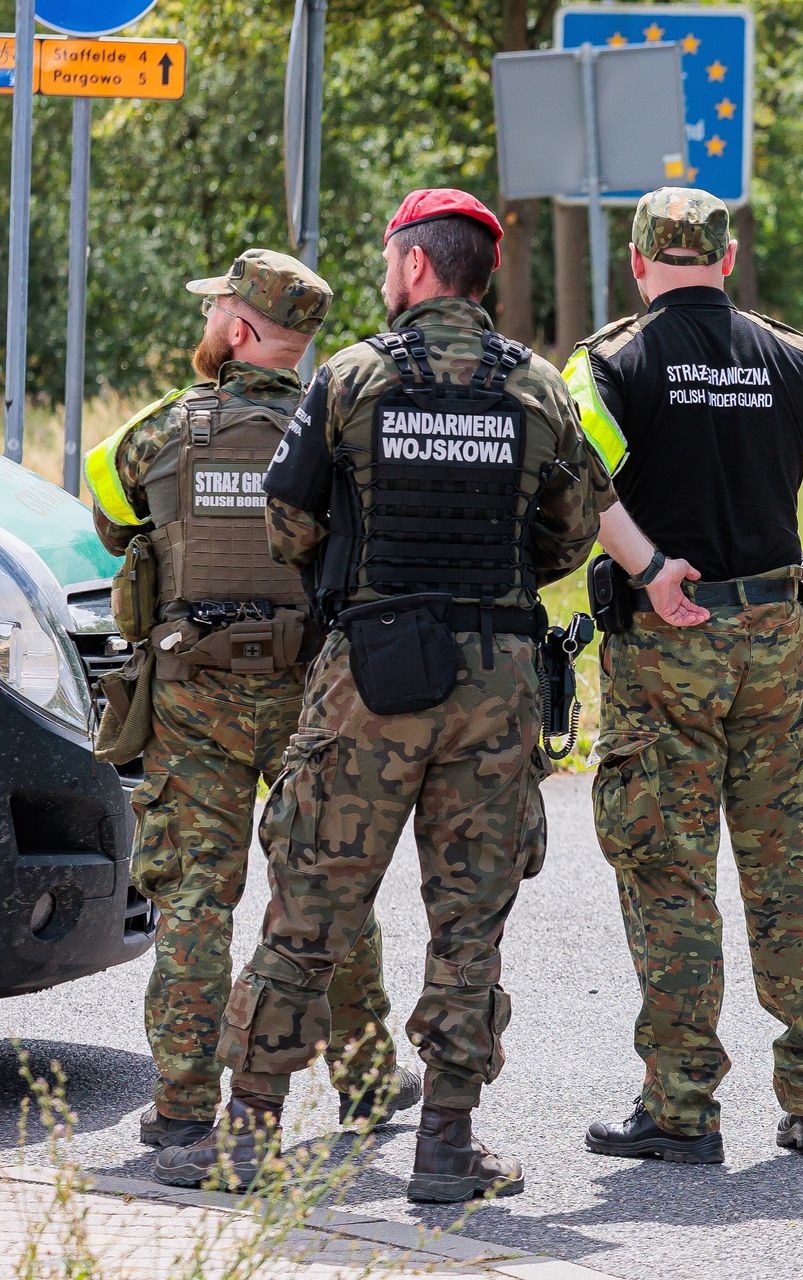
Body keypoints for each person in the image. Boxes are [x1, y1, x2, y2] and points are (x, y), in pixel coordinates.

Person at [154, 190, 611, 1201]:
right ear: (480, 276)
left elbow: (289, 514)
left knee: (307, 906)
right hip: (495, 681)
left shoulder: (351, 378)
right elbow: (572, 531)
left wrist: (359, 580)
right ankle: (447, 1146)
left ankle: (246, 1135)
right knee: (469, 925)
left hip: (368, 675)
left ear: (413, 268)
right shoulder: (539, 386)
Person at [564, 187, 803, 1163]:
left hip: (664, 641)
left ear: (637, 262)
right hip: (771, 644)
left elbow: (574, 476)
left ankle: (681, 1106)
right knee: (788, 862)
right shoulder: (793, 358)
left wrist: (645, 563)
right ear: (725, 260)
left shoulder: (612, 360)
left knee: (669, 868)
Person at [83, 249, 419, 1156]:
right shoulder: (341, 430)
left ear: (237, 328)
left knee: (196, 894)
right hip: (317, 690)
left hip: (196, 696)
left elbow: (111, 518)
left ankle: (184, 1102)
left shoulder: (159, 433)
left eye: (215, 310)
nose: (208, 324)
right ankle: (366, 1076)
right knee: (328, 883)